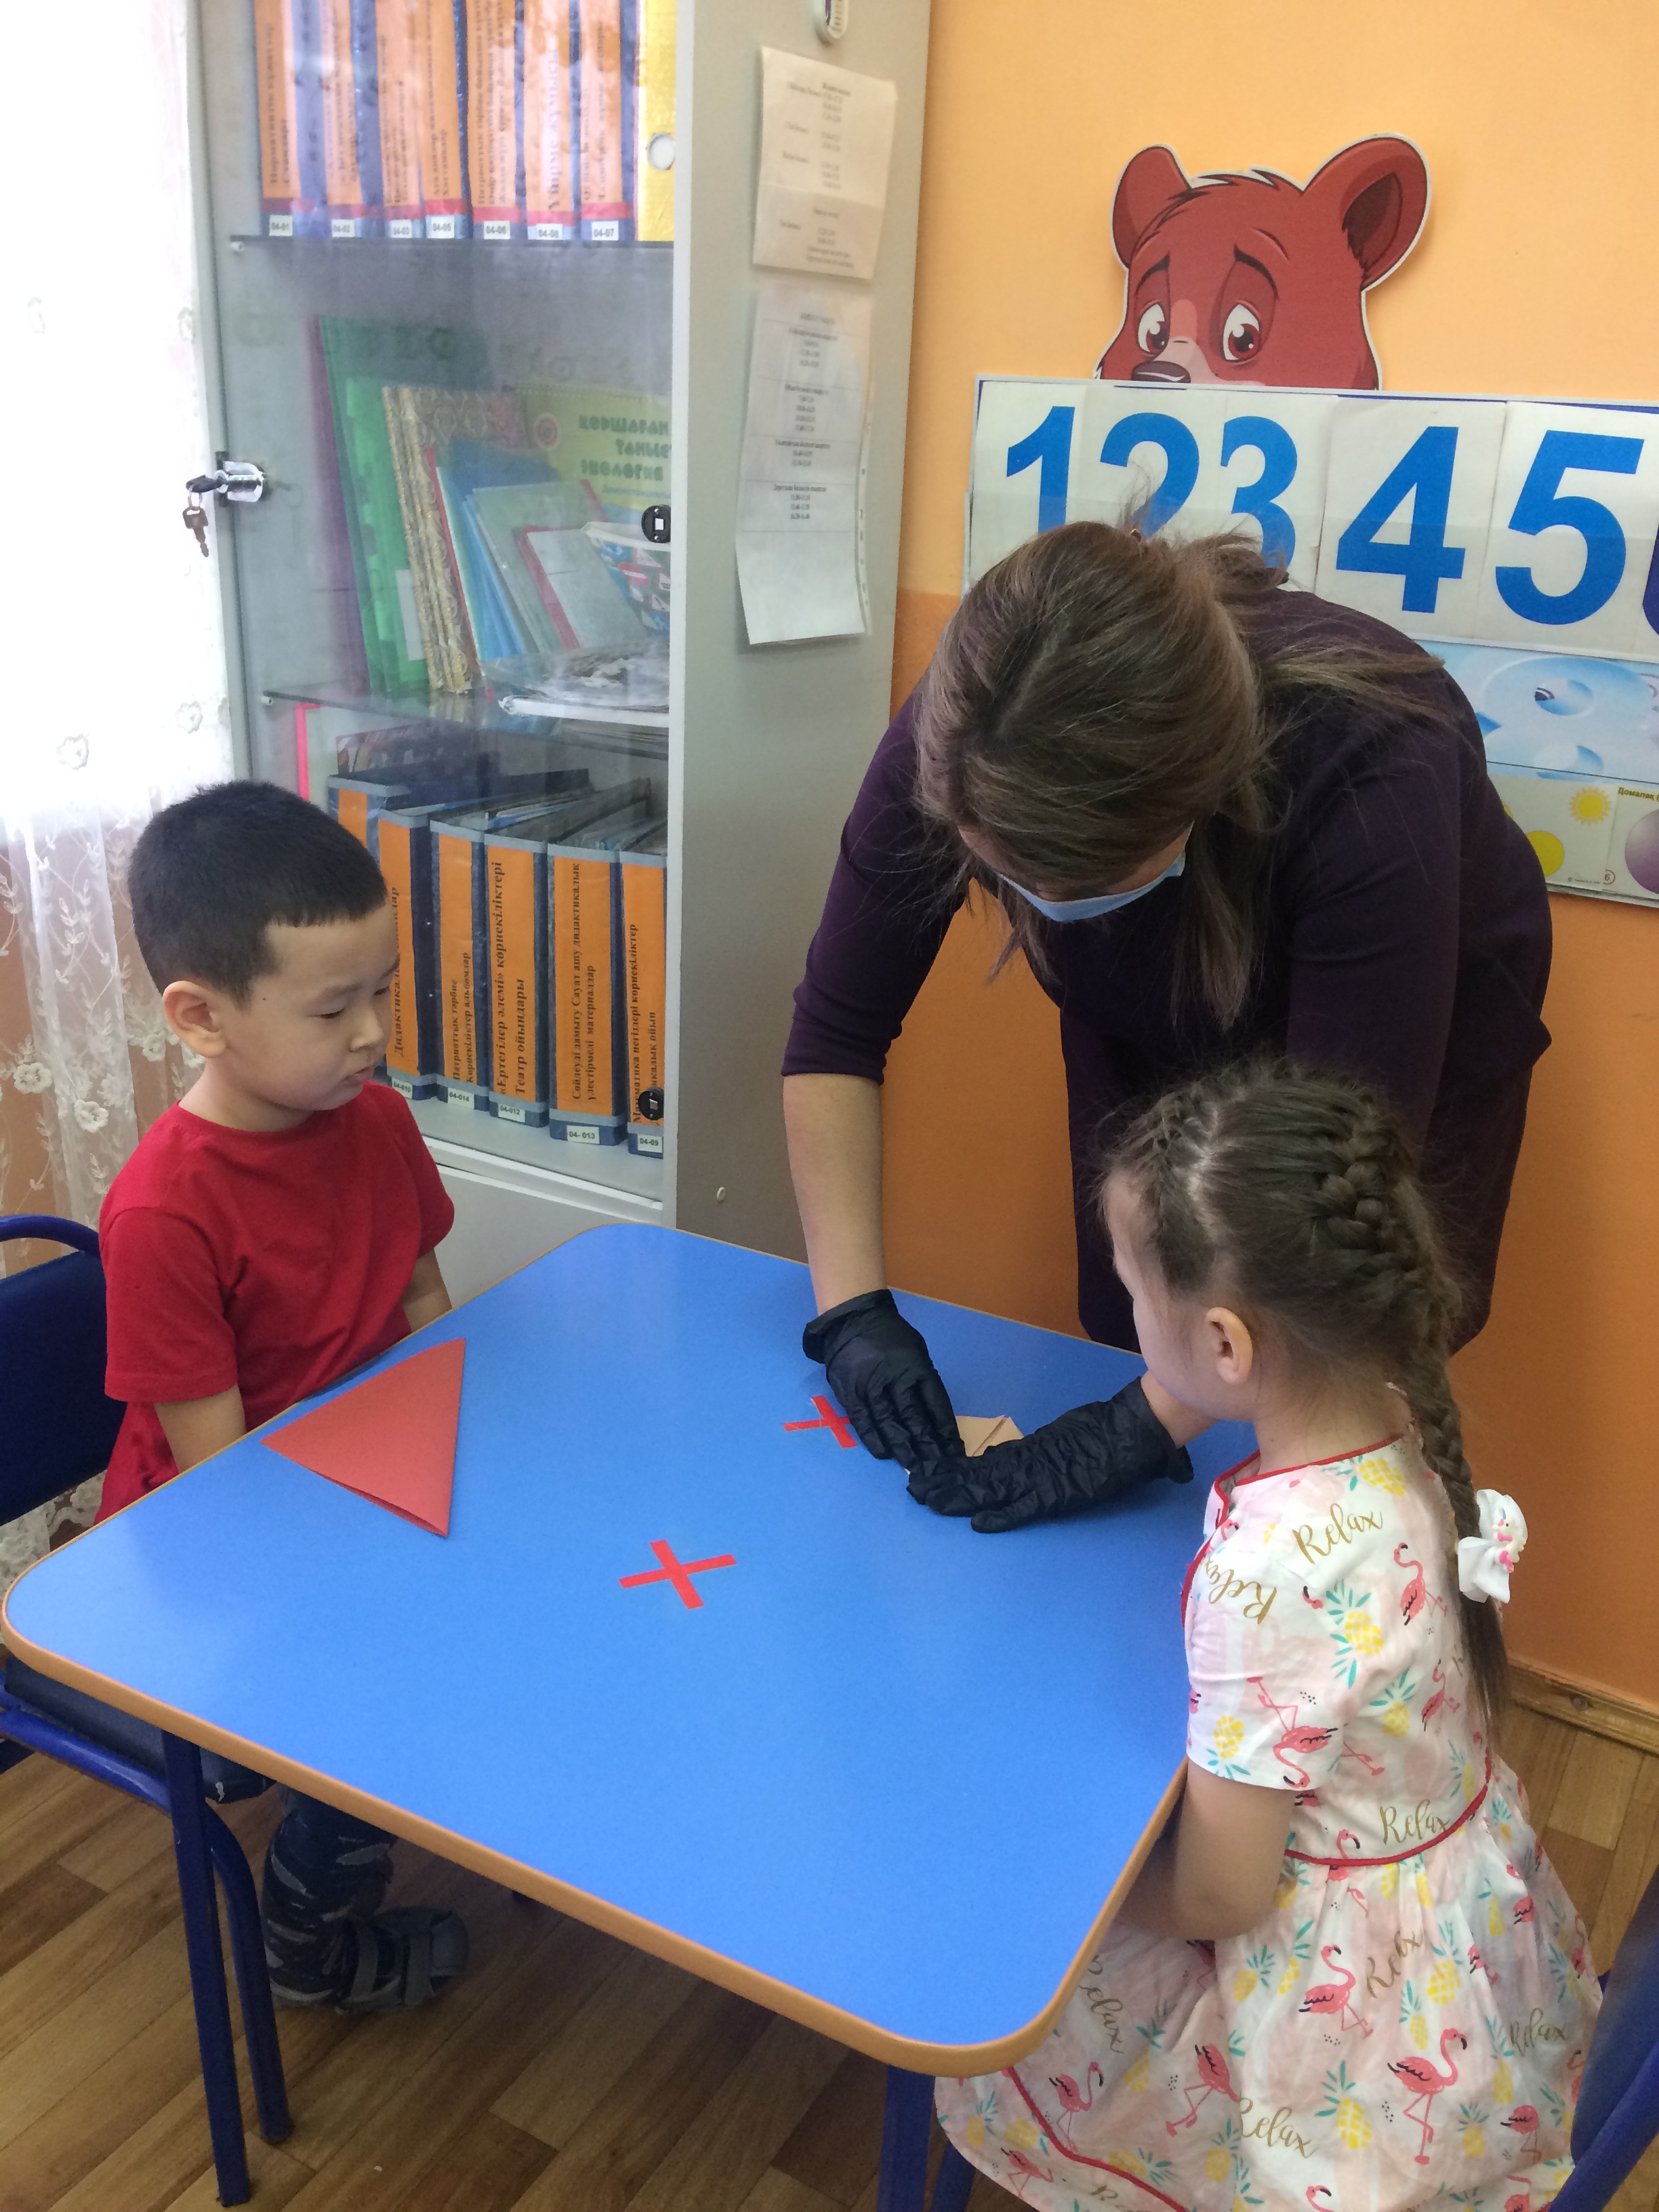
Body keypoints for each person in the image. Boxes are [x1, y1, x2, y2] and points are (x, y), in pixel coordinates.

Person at [783, 525, 1552, 1525]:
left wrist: (1132, 1431)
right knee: (1147, 1300)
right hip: (1150, 996)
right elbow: (836, 1036)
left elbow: (1327, 1191)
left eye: (1083, 884)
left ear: (1196, 798)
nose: (1044, 903)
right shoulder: (976, 731)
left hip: (1385, 1058)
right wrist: (851, 1316)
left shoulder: (1374, 764)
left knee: (1317, 1360)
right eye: (1013, 874)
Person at [935, 1061, 1597, 2209]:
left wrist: (1081, 1904)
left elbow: (1221, 1896)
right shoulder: (1404, 1417)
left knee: (1013, 1978)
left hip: (1338, 2014)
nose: (1131, 1321)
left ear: (1227, 1346)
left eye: (1134, 1296)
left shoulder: (1269, 1572)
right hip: (1458, 1923)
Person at [98, 781, 467, 2011]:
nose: (373, 1035)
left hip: (369, 1478)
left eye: (383, 994)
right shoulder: (165, 1213)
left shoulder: (377, 1123)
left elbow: (426, 1308)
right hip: (223, 1539)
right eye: (332, 1008)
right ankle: (304, 1949)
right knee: (387, 1708)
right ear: (199, 1017)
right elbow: (222, 1486)